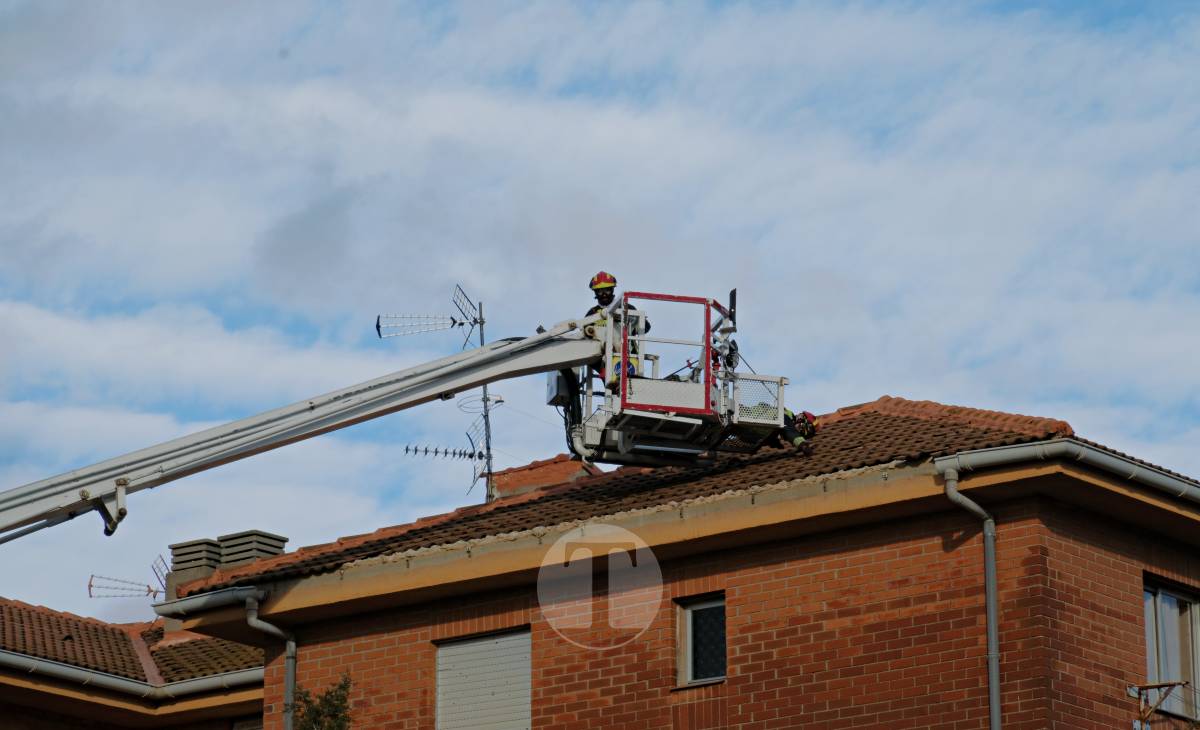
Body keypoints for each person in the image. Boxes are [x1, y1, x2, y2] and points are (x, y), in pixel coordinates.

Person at [585, 271, 649, 387]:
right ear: (595, 293)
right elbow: (584, 337)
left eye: (607, 290)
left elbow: (646, 328)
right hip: (603, 359)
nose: (604, 294)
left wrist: (636, 322)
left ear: (613, 290)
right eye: (600, 291)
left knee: (632, 388)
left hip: (628, 356)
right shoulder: (592, 314)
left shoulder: (626, 307)